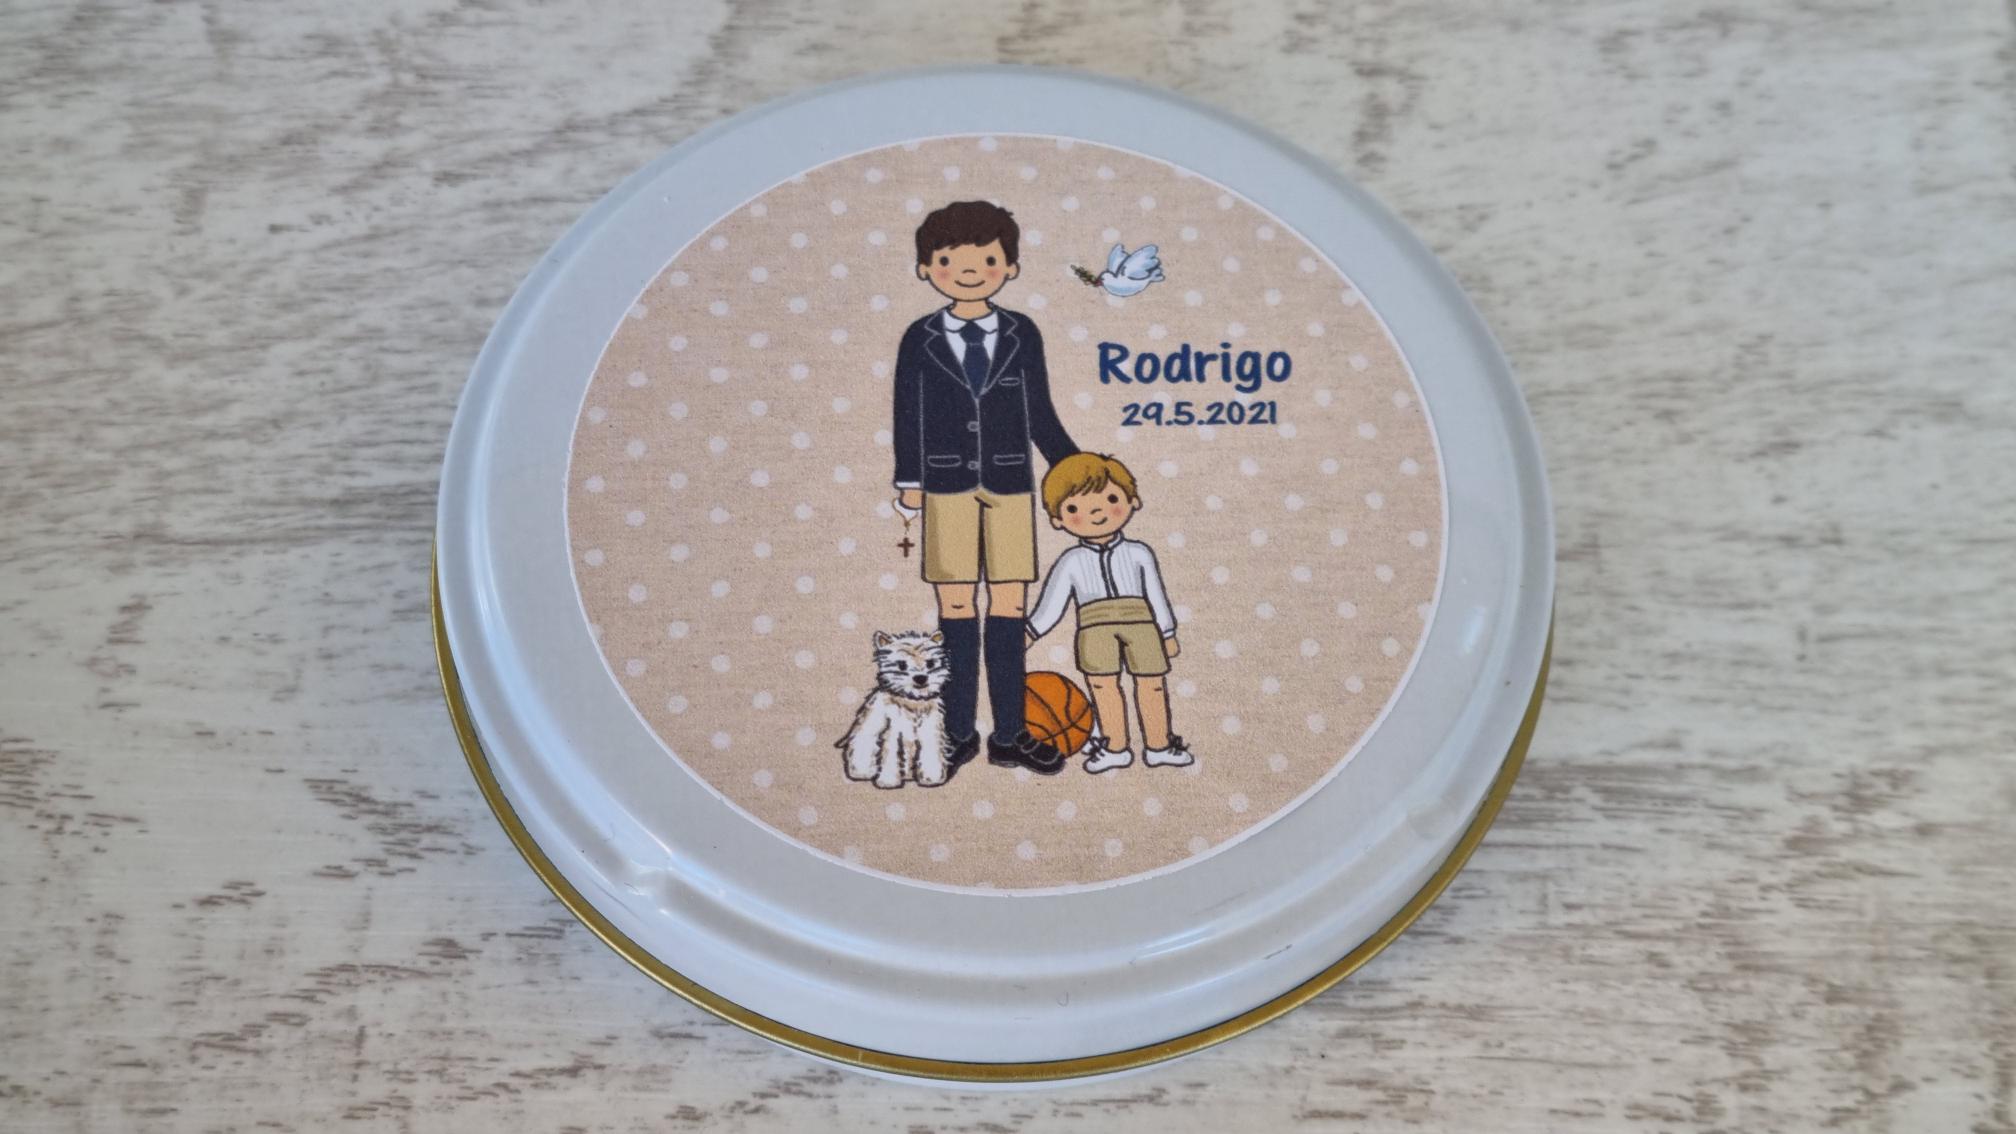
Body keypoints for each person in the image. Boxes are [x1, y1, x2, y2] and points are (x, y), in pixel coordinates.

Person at [890, 201, 1079, 778]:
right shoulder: (919, 337)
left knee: (1010, 604)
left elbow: (1039, 409)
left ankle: (1011, 734)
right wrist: (910, 480)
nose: (970, 271)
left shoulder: (1022, 332)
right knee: (954, 606)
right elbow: (907, 412)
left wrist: (1072, 468)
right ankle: (955, 732)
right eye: (950, 260)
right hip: (945, 484)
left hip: (1010, 483)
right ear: (927, 268)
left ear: (1010, 267)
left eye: (988, 260)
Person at [1025, 453, 1194, 773]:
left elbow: (1156, 594)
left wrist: (1167, 631)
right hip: (1094, 627)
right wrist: (1031, 632)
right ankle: (1116, 747)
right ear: (1057, 520)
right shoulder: (1071, 561)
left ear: (1133, 501)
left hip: (1142, 623)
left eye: (1111, 498)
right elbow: (1053, 603)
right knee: (1102, 686)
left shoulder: (1139, 553)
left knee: (1152, 683)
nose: (1097, 512)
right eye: (1074, 508)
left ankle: (1158, 746)